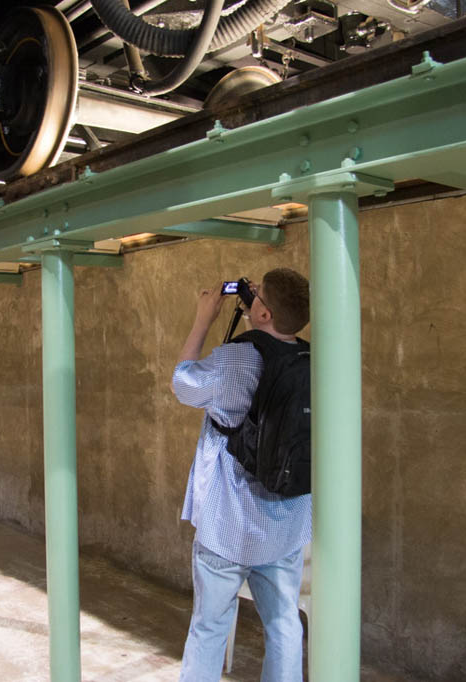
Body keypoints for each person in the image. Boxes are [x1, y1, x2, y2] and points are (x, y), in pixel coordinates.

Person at [172, 267, 312, 682]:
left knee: (210, 626)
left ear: (264, 314)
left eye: (257, 294)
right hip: (286, 524)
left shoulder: (238, 356)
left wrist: (203, 319)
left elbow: (183, 384)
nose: (250, 294)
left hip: (228, 524)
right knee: (285, 623)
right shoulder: (310, 359)